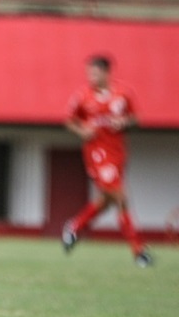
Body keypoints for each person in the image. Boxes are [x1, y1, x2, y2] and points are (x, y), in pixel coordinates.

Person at [62, 55, 152, 266]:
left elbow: (135, 119)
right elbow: (69, 120)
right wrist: (82, 131)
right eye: (89, 73)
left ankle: (74, 227)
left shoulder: (123, 94)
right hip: (97, 154)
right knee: (120, 198)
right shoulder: (83, 96)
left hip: (118, 153)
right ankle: (138, 251)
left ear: (106, 73)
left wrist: (124, 122)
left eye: (94, 72)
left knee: (106, 201)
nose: (91, 76)